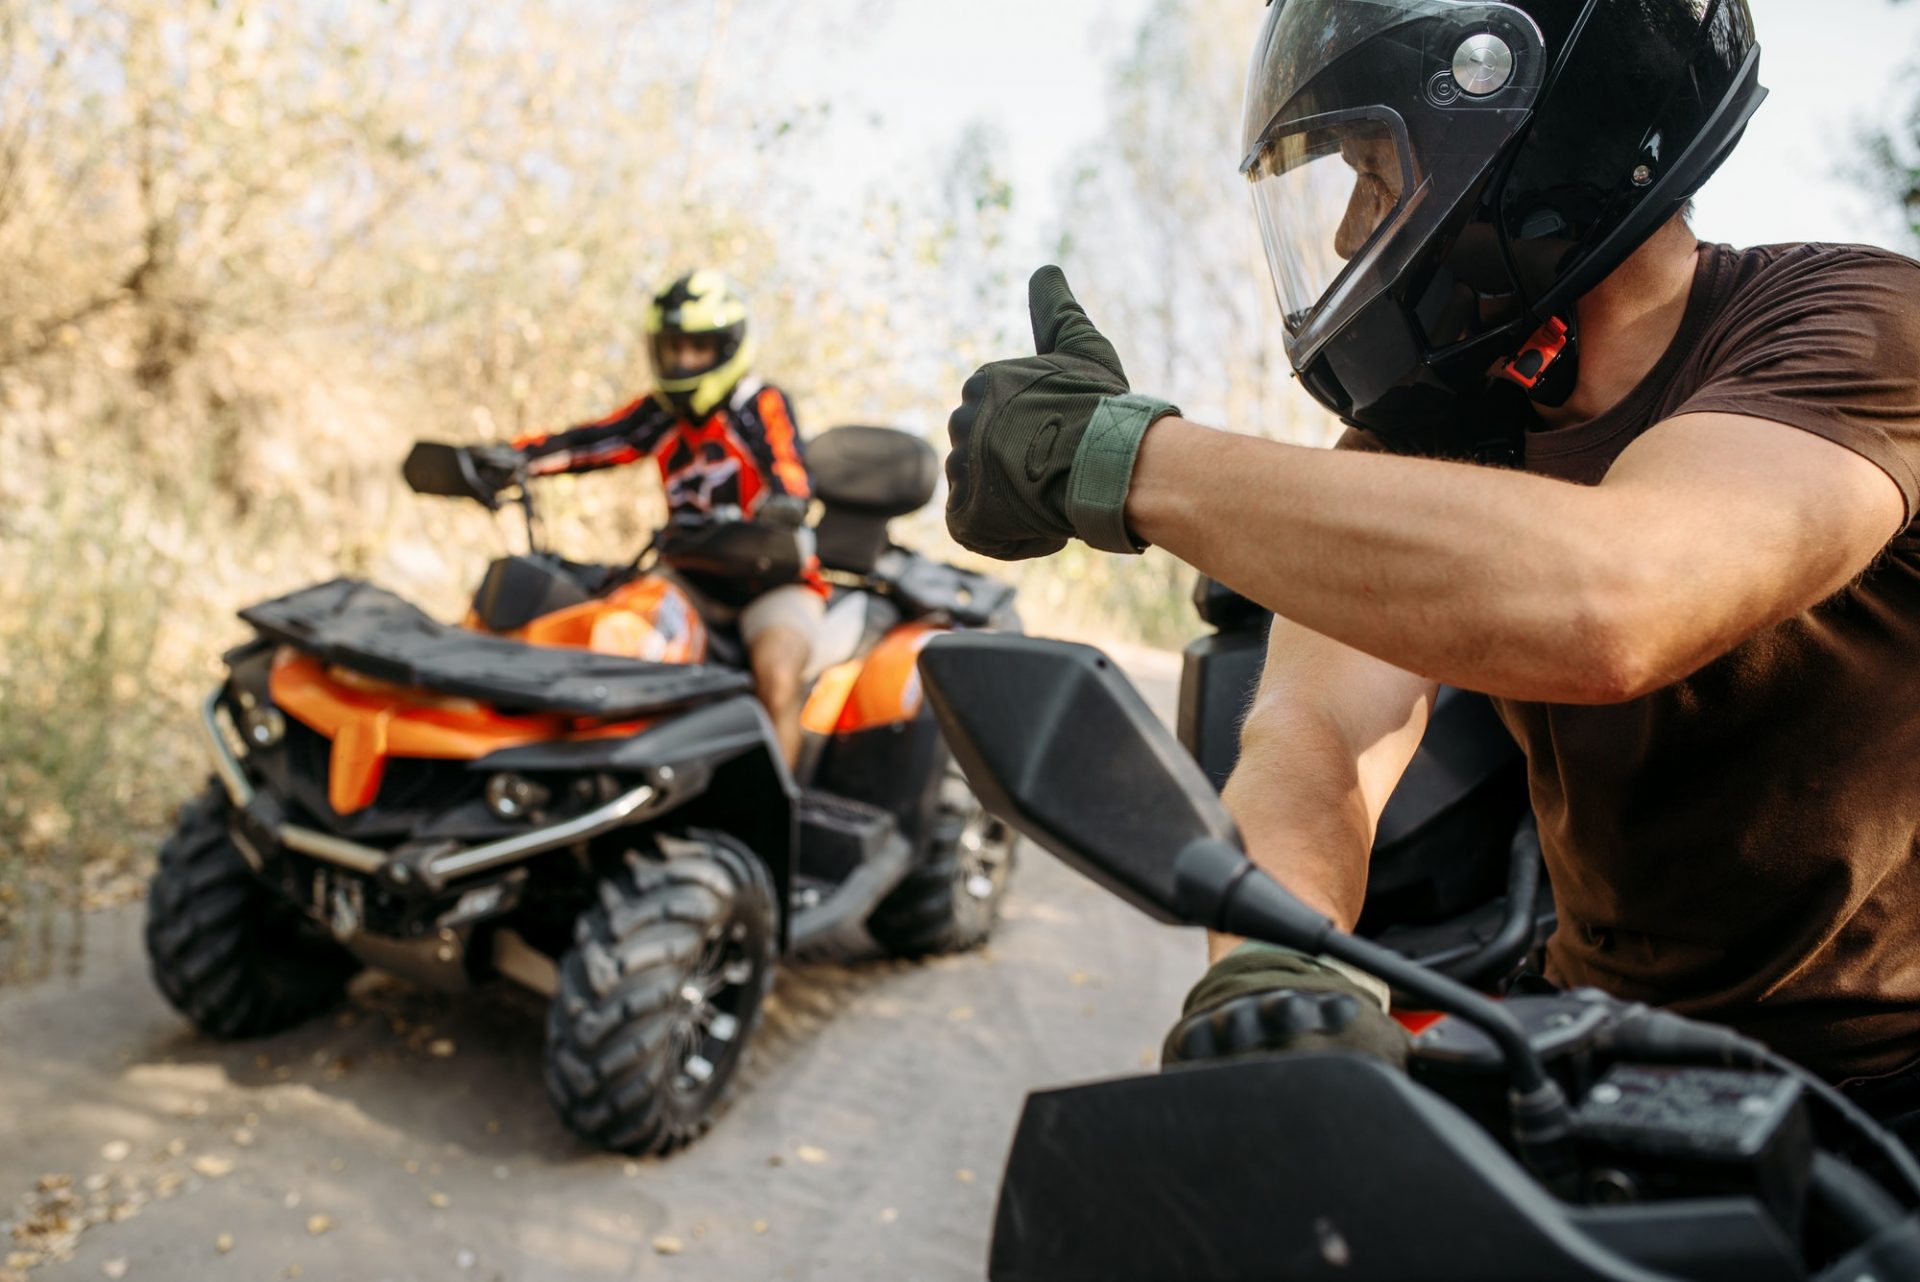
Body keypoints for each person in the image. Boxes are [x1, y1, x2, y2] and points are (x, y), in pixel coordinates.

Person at [941, 0, 1920, 1136]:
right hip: (1593, 1040)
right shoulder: (1448, 415)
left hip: (1886, 1077)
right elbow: (1314, 736)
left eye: (1374, 169)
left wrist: (1122, 459)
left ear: (1536, 135)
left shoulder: (1858, 326)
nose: (1356, 232)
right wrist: (1285, 968)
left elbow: (1614, 602)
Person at [512, 269, 822, 765]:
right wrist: (509, 459)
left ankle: (787, 817)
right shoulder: (659, 415)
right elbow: (588, 443)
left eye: (697, 348)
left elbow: (789, 467)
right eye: (673, 348)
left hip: (773, 581)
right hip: (687, 578)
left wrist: (786, 502)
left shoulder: (756, 404)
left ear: (726, 348)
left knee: (778, 675)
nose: (683, 361)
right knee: (609, 639)